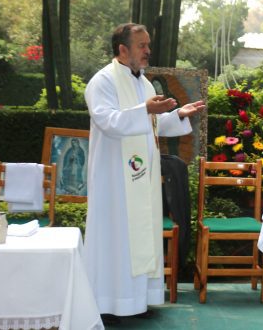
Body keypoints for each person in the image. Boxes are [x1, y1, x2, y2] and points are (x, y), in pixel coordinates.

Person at [83, 23, 206, 324]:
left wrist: (178, 115)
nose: (148, 50)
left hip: (141, 178)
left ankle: (137, 301)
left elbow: (151, 125)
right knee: (115, 238)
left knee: (140, 236)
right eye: (142, 45)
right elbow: (108, 121)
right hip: (114, 179)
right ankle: (108, 303)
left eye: (148, 44)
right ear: (122, 49)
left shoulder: (146, 85)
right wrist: (146, 111)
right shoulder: (102, 82)